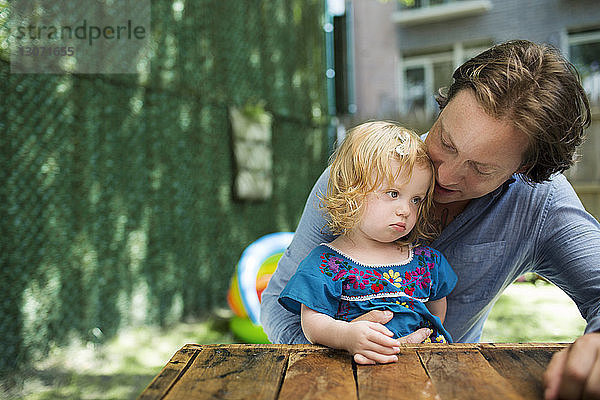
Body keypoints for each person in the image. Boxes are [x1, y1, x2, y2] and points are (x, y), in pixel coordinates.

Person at [260, 40, 600, 400]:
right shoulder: (360, 179)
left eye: (481, 169)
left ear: (523, 169)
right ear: (443, 106)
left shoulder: (540, 205)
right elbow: (279, 306)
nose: (447, 176)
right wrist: (347, 347)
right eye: (446, 142)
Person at [278, 121, 457, 364]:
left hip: (424, 368)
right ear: (351, 191)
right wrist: (347, 337)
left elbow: (437, 308)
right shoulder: (326, 263)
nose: (405, 210)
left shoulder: (426, 261)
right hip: (358, 374)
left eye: (416, 199)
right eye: (393, 194)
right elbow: (312, 324)